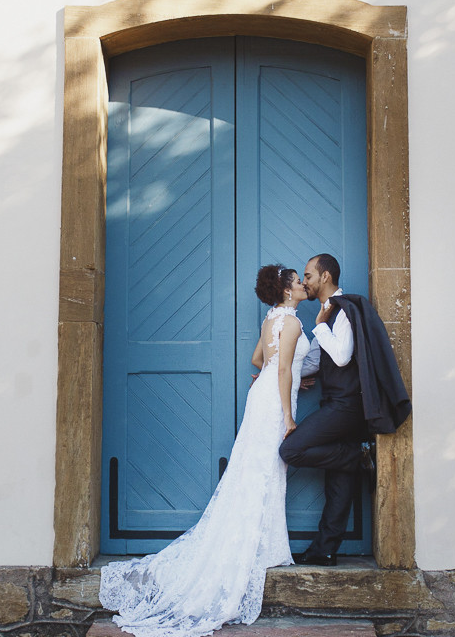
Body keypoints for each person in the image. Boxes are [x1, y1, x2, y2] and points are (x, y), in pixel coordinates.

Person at [99, 264, 310, 637]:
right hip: (275, 402)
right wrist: (290, 414)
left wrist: (289, 372)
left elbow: (259, 361)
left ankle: (270, 545)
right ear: (286, 290)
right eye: (297, 281)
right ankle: (268, 548)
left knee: (255, 470)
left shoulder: (272, 318)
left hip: (260, 398)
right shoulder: (290, 322)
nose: (303, 284)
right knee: (264, 471)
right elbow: (280, 372)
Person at [279, 253, 412, 567]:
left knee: (291, 449)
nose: (306, 282)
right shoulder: (328, 315)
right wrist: (283, 378)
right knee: (338, 483)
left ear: (325, 277)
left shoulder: (345, 311)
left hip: (349, 406)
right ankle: (324, 549)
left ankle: (360, 456)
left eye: (309, 276)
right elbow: (312, 362)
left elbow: (341, 356)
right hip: (335, 404)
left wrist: (320, 326)